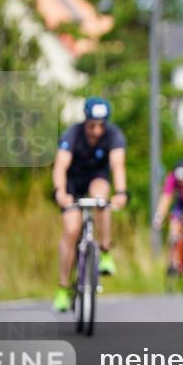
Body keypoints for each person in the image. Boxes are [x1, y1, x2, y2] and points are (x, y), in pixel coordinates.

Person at [51, 97, 128, 312]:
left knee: (101, 198)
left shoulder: (114, 135)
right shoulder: (72, 134)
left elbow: (118, 165)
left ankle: (104, 251)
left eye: (101, 125)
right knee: (71, 229)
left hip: (97, 178)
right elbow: (60, 166)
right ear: (85, 121)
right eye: (92, 125)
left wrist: (121, 192)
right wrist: (60, 192)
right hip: (73, 183)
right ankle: (63, 288)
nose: (96, 131)